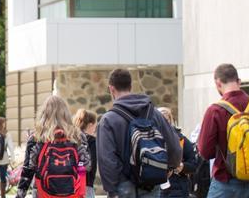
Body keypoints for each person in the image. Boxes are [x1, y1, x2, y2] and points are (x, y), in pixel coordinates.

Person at [97, 68, 182, 198]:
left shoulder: (108, 120)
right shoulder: (154, 113)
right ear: (131, 86)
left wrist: (112, 189)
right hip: (151, 182)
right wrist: (169, 168)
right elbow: (174, 146)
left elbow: (107, 160)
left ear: (111, 89)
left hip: (123, 186)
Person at [198, 63, 249, 198]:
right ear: (239, 81)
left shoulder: (215, 111)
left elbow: (206, 152)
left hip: (225, 182)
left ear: (218, 83)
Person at [15, 95, 90, 198]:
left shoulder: (36, 138)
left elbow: (27, 171)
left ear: (44, 114)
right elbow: (86, 166)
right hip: (73, 192)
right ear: (66, 113)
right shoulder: (78, 136)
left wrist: (20, 195)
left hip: (42, 192)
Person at [157, 107, 199, 198]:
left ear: (171, 122)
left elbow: (194, 165)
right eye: (160, 120)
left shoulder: (181, 140)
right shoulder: (148, 140)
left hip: (177, 188)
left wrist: (182, 166)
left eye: (166, 121)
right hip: (155, 187)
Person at [74, 109, 100, 198]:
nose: (95, 129)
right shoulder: (92, 141)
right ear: (90, 125)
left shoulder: (73, 138)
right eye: (95, 126)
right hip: (86, 185)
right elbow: (91, 165)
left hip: (72, 185)